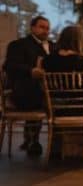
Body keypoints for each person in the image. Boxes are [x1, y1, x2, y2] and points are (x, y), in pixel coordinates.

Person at [3, 15, 51, 155]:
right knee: (38, 95)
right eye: (42, 27)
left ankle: (56, 145)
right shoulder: (18, 45)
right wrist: (30, 71)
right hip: (23, 92)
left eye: (47, 28)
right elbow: (9, 66)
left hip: (46, 91)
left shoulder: (52, 46)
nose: (45, 31)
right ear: (32, 28)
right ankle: (32, 140)